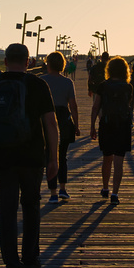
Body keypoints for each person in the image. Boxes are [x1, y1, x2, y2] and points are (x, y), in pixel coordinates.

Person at [0, 42, 60, 268]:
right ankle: (30, 260)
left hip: (1, 154)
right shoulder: (38, 84)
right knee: (31, 206)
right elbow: (51, 124)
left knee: (6, 209)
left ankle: (11, 265)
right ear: (28, 61)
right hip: (32, 156)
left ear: (4, 61)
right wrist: (52, 157)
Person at [89, 55, 134, 204]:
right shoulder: (128, 87)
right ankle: (115, 193)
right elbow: (128, 106)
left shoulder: (103, 86)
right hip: (123, 125)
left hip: (106, 125)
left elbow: (96, 106)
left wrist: (92, 126)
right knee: (119, 160)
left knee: (107, 158)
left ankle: (105, 188)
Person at [40, 51, 79, 202]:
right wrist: (76, 125)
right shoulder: (68, 83)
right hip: (63, 121)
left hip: (44, 121)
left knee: (47, 156)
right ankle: (62, 188)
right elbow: (73, 106)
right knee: (61, 156)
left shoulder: (41, 81)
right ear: (63, 65)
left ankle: (52, 192)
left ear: (48, 64)